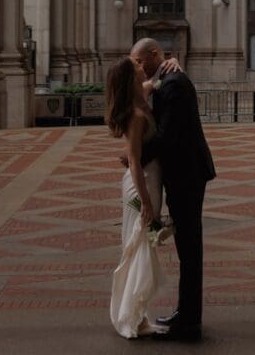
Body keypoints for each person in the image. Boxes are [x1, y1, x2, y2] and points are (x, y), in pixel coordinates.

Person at [130, 38, 215, 344]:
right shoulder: (167, 79)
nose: (138, 67)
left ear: (155, 55)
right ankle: (186, 315)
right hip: (184, 174)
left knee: (190, 252)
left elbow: (168, 137)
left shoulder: (174, 84)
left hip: (187, 176)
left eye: (140, 61)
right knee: (188, 251)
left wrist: (134, 157)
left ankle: (189, 323)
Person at [106, 55, 168, 339]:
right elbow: (133, 161)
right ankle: (131, 316)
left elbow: (154, 83)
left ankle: (138, 315)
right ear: (131, 77)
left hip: (149, 179)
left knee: (144, 243)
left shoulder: (141, 94)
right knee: (138, 245)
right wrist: (144, 202)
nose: (143, 64)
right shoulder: (136, 115)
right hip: (140, 183)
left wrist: (172, 65)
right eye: (137, 65)